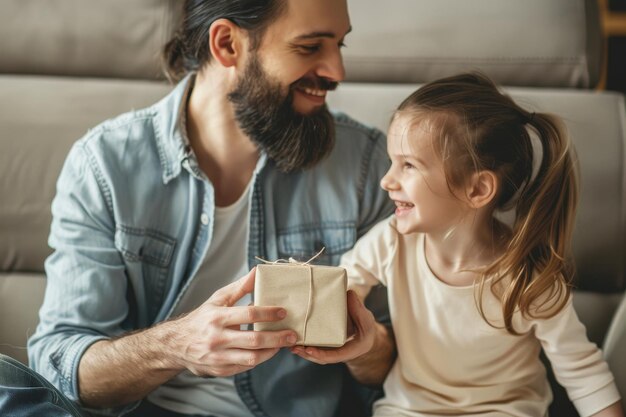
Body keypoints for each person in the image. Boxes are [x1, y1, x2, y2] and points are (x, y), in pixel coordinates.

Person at [6, 0, 397, 416]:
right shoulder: (105, 166)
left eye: (339, 45)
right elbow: (62, 366)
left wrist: (366, 347)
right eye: (310, 47)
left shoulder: (368, 165)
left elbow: (407, 361)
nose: (336, 71)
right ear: (227, 43)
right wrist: (175, 345)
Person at [293, 72, 625, 417]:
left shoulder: (530, 278)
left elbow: (584, 373)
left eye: (408, 165)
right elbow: (336, 291)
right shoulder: (391, 241)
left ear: (478, 190)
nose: (387, 180)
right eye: (393, 162)